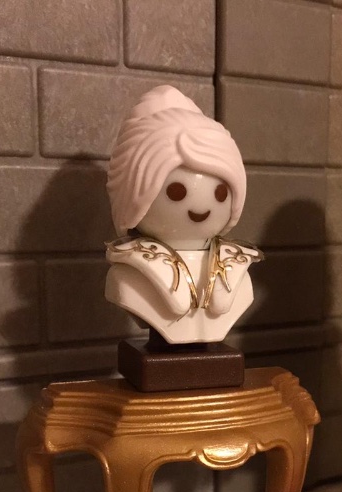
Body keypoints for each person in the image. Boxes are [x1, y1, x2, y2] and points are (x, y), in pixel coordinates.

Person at [105, 85, 259, 345]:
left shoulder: (239, 271)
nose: (201, 206)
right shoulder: (125, 278)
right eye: (176, 192)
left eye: (220, 192)